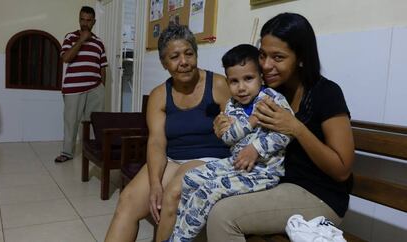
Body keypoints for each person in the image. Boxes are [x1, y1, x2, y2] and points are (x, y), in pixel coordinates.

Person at [207, 12, 354, 242]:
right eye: (263, 55)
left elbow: (342, 169)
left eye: (278, 57)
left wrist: (296, 128)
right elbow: (240, 118)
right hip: (274, 181)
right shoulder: (272, 92)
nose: (266, 65)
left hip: (318, 196)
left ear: (301, 58)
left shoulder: (326, 93)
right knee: (203, 190)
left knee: (222, 216)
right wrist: (223, 124)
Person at [104, 24, 231, 242]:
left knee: (176, 189)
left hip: (211, 160)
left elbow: (240, 128)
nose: (184, 62)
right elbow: (156, 143)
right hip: (173, 160)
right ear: (164, 63)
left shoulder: (219, 84)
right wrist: (154, 183)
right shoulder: (159, 95)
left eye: (189, 54)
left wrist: (226, 126)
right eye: (174, 57)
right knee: (127, 201)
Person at [164, 44, 294, 242]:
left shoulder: (272, 100)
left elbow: (286, 133)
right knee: (189, 179)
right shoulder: (232, 105)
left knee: (209, 191)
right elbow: (228, 137)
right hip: (234, 165)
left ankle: (180, 239)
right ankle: (180, 234)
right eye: (234, 81)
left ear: (261, 77)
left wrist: (255, 148)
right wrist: (251, 122)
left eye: (248, 79)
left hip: (262, 172)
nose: (241, 87)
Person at [54, 6, 107, 163]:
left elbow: (102, 66)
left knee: (94, 122)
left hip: (95, 88)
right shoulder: (70, 37)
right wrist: (82, 40)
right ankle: (67, 153)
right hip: (73, 88)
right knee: (71, 121)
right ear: (79, 19)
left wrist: (102, 86)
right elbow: (66, 58)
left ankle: (92, 152)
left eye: (88, 20)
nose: (85, 23)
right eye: (82, 19)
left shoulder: (99, 43)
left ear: (94, 22)